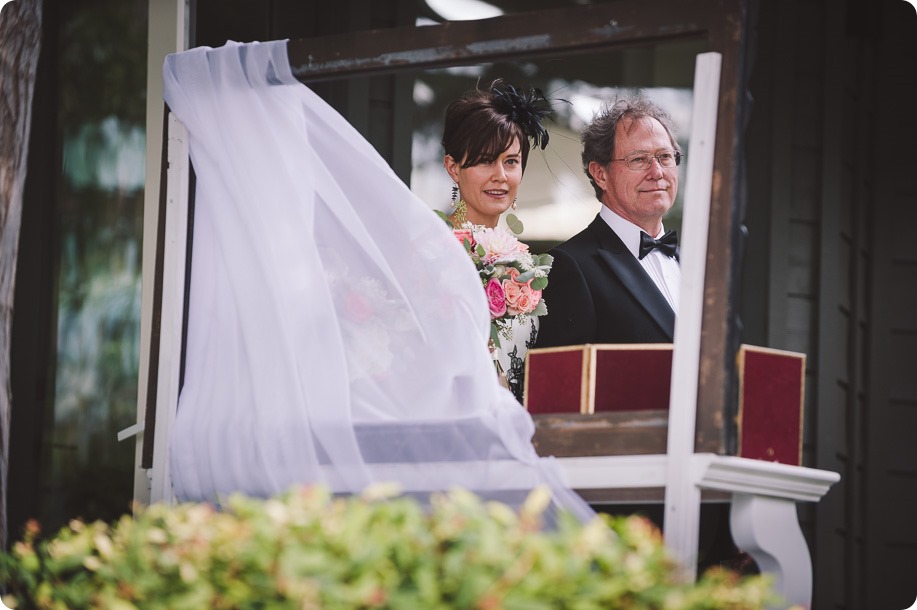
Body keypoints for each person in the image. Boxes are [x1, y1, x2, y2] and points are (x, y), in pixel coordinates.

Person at [535, 94, 682, 349]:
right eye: (639, 159)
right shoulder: (570, 266)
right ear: (600, 174)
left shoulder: (698, 264)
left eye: (665, 157)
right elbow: (563, 383)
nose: (657, 172)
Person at [440, 81, 551, 402]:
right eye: (486, 160)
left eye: (511, 161)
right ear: (453, 167)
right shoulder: (432, 253)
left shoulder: (527, 263)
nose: (500, 175)